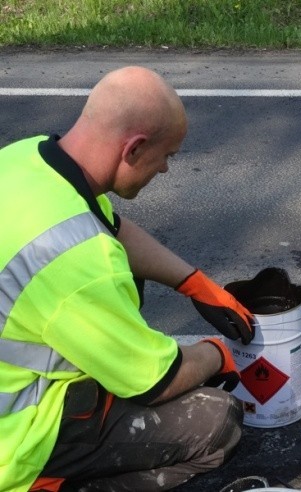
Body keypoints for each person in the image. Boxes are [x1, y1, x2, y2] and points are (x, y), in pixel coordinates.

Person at [0, 66, 256, 491]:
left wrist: (193, 282)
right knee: (217, 422)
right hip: (17, 437)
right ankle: (51, 483)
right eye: (167, 155)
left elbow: (109, 224)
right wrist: (215, 353)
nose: (167, 170)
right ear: (134, 149)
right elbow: (155, 380)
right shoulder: (79, 260)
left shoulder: (27, 159)